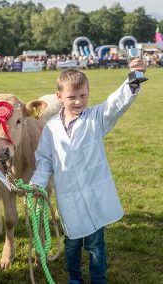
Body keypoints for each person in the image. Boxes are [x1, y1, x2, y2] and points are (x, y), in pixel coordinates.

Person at [30, 61, 146, 284]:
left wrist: (135, 75)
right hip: (69, 197)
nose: (78, 101)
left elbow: (116, 104)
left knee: (95, 245)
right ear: (59, 96)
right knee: (72, 243)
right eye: (72, 97)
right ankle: (75, 277)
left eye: (83, 96)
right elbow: (44, 160)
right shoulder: (52, 128)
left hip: (93, 196)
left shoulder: (96, 118)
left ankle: (99, 278)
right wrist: (37, 184)